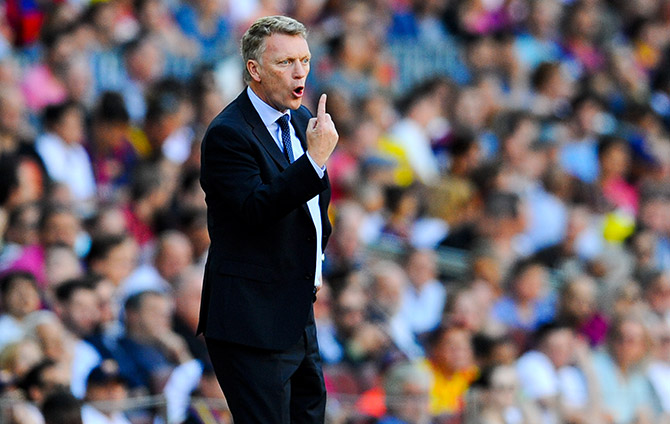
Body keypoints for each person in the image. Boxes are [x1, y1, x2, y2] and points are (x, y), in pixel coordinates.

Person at [198, 15, 338, 424]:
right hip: (251, 322)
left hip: (297, 312)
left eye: (305, 60)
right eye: (285, 63)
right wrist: (314, 160)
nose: (300, 73)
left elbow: (314, 209)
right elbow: (256, 208)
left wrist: (315, 265)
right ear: (254, 70)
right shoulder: (228, 134)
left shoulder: (300, 120)